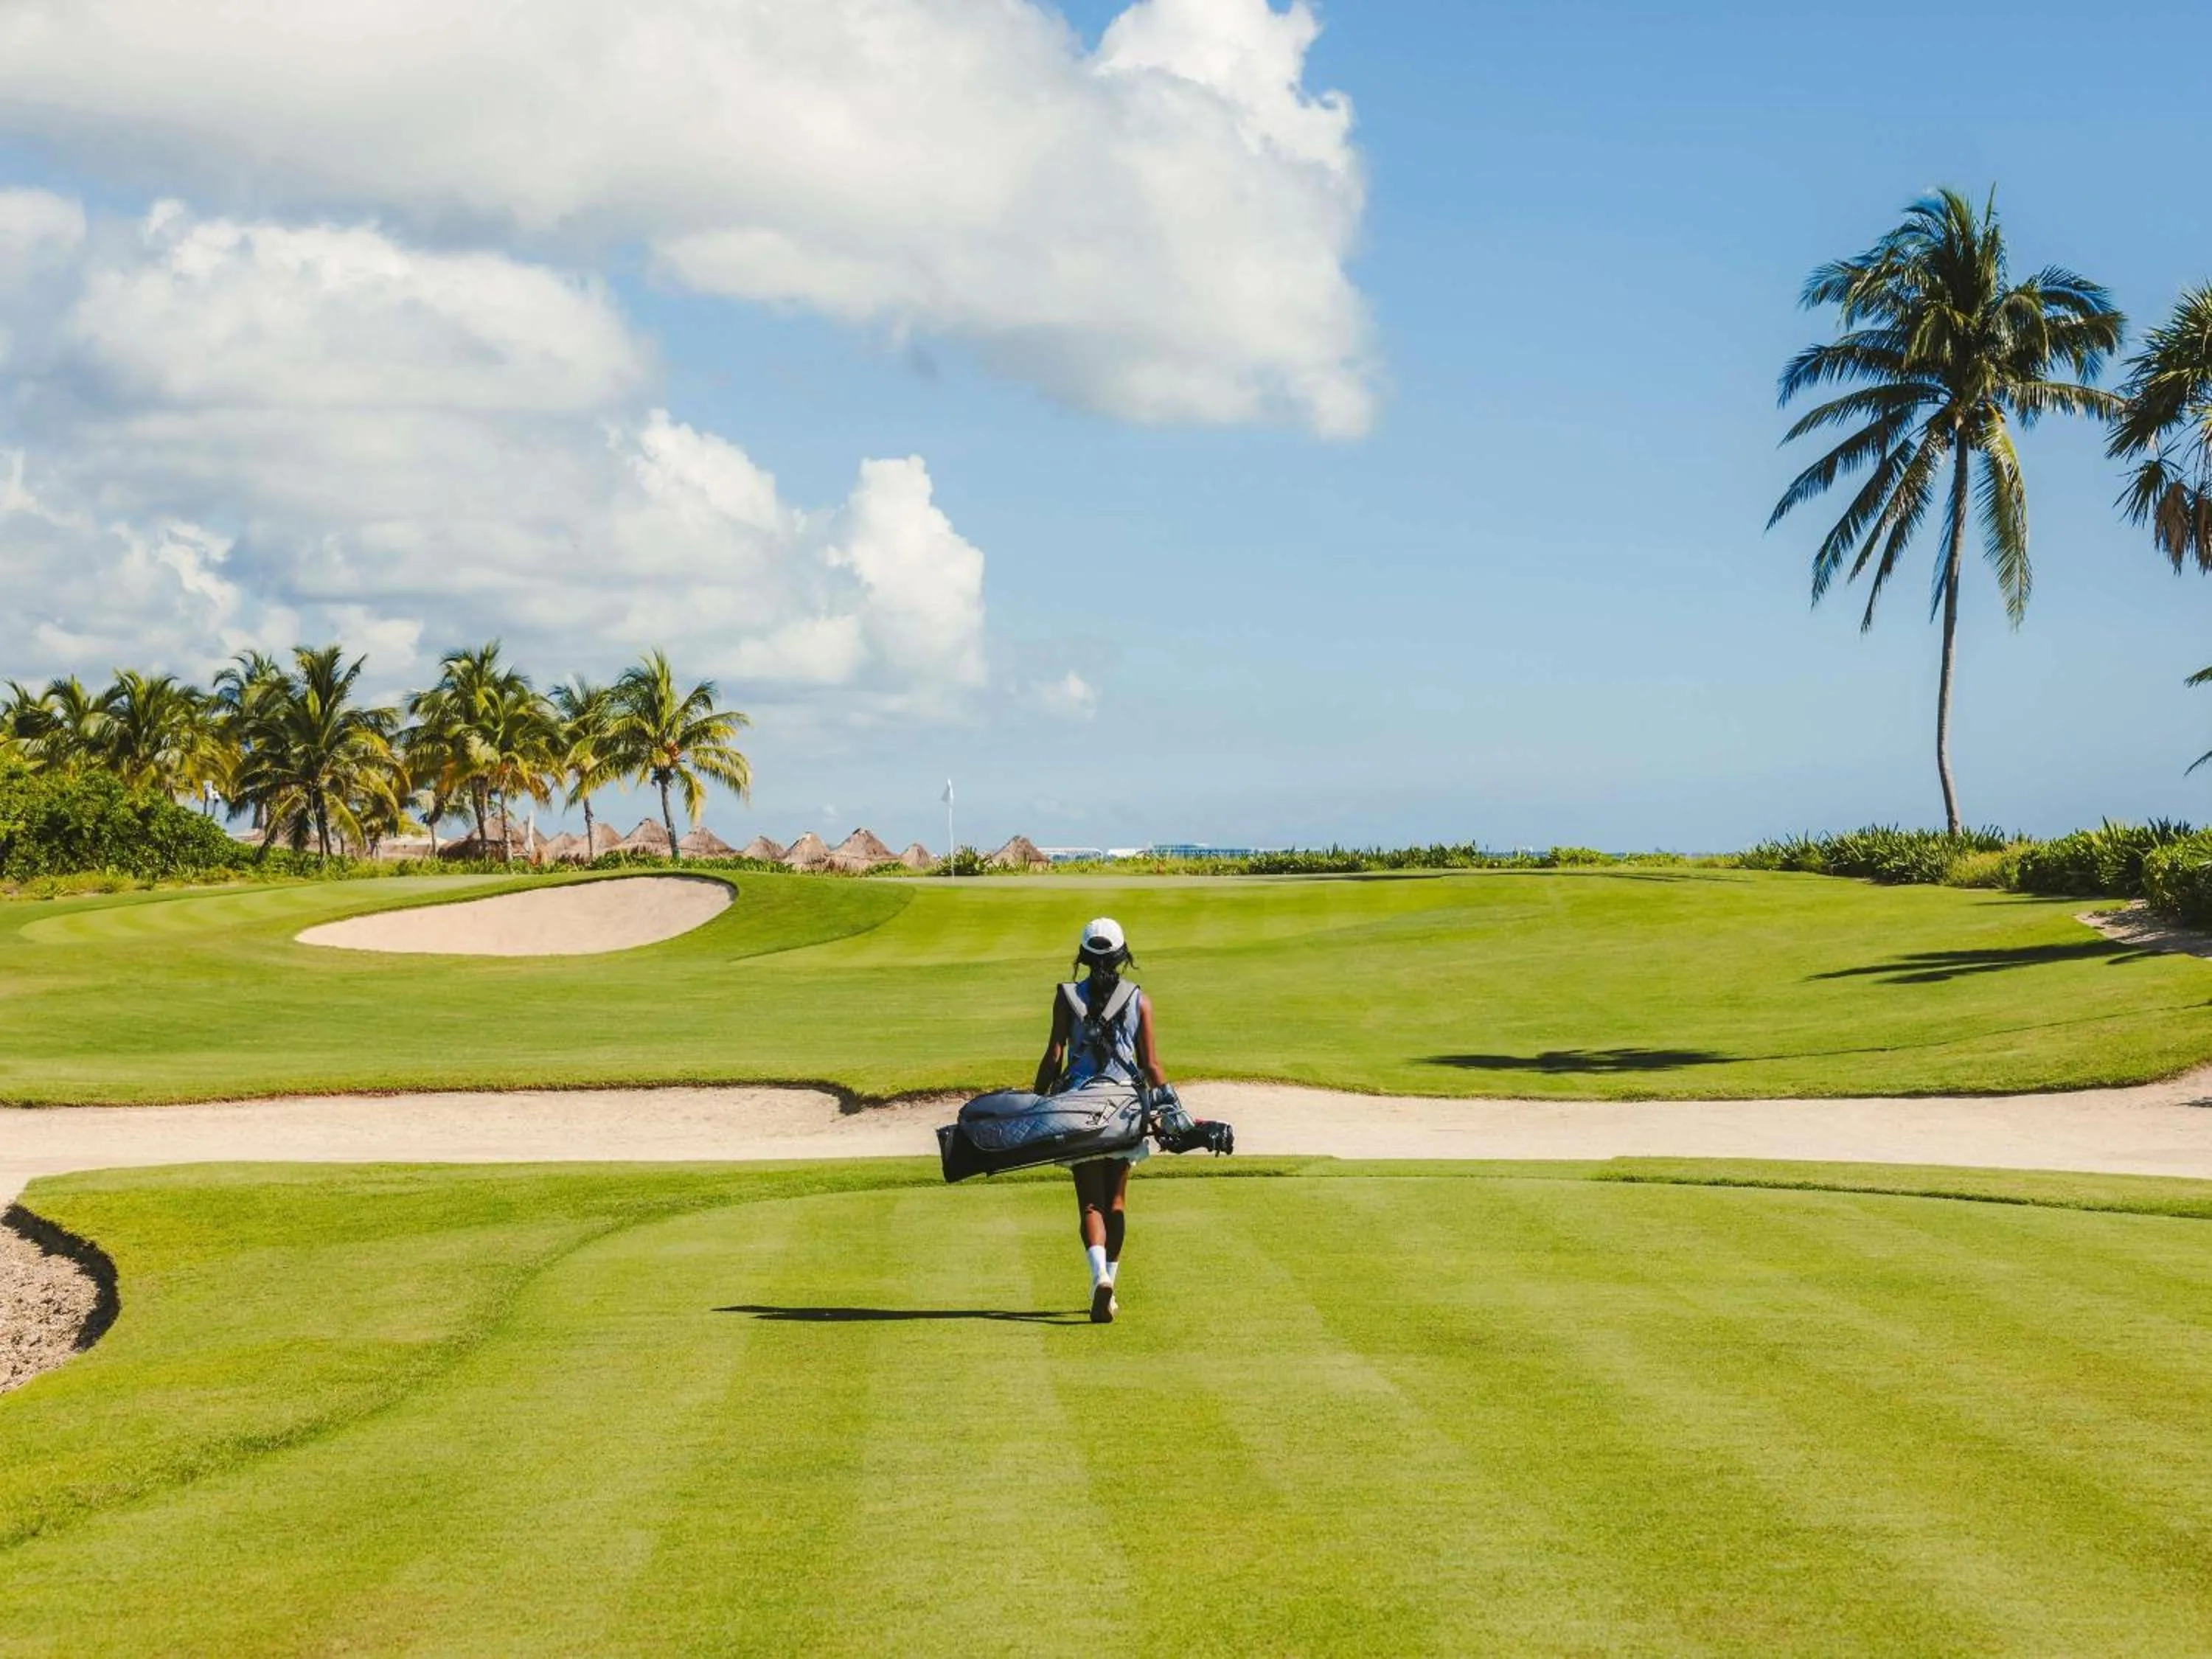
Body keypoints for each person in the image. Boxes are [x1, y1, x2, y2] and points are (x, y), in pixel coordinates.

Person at [1033, 917, 1165, 1324]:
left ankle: (1099, 1279)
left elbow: (1054, 1057)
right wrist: (1170, 1109)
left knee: (1090, 1202)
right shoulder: (1139, 1000)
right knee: (1116, 1202)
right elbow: (1151, 1066)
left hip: (1080, 1110)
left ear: (1084, 956)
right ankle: (1109, 1286)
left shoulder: (1066, 997)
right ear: (1123, 955)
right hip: (1125, 1110)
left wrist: (1035, 1102)